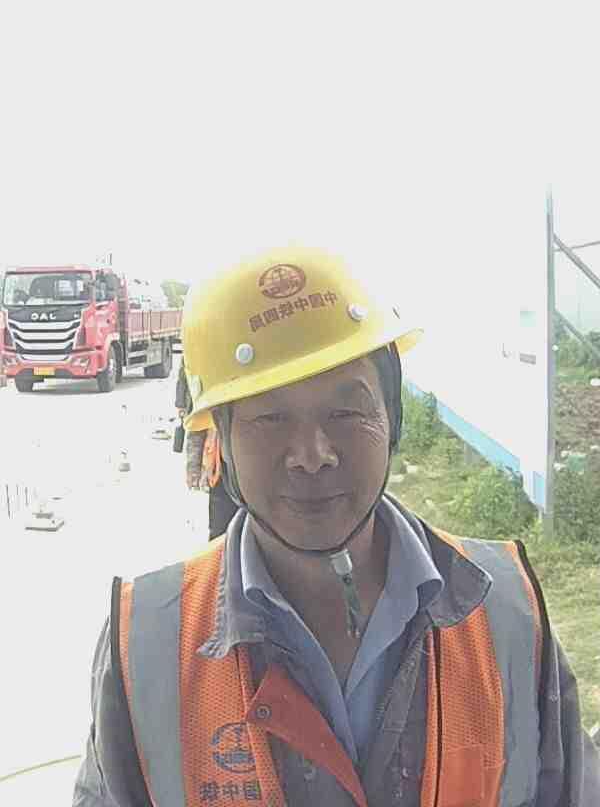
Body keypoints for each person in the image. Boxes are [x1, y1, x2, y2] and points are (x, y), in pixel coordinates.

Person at [73, 247, 600, 807]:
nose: (312, 455)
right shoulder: (148, 641)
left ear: (392, 417)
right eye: (270, 418)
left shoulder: (504, 610)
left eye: (346, 413)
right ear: (221, 439)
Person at [176, 356, 238, 538]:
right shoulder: (200, 358)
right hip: (220, 457)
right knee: (221, 524)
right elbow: (197, 422)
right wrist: (193, 466)